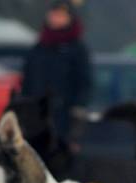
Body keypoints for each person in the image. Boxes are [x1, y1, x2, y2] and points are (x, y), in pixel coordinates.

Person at [21, 0, 92, 145]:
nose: (56, 19)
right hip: (37, 115)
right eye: (54, 15)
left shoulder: (77, 49)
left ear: (69, 18)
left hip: (63, 116)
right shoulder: (39, 47)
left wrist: (78, 109)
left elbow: (85, 82)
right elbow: (27, 80)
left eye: (61, 15)